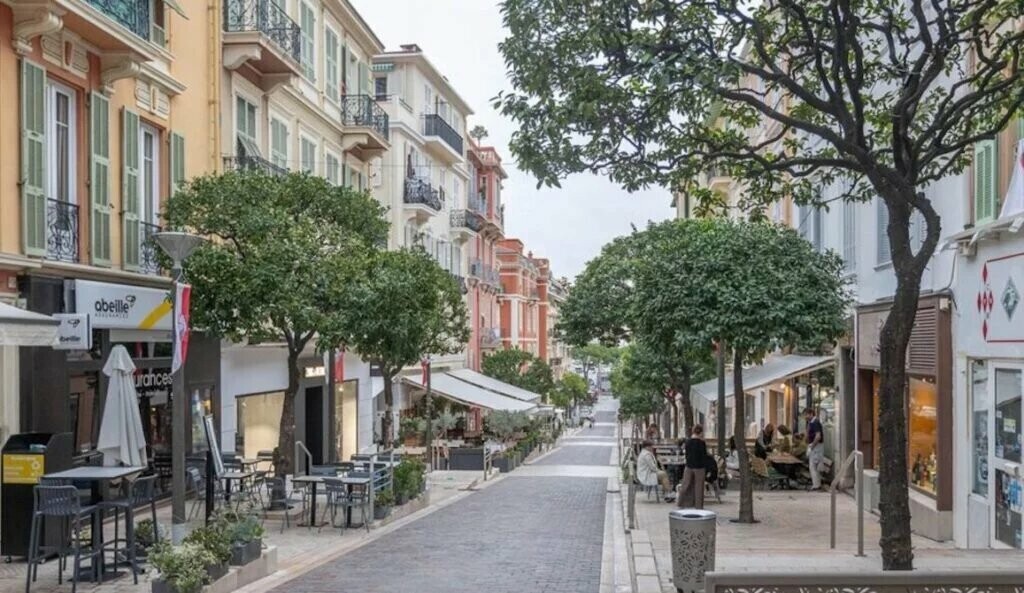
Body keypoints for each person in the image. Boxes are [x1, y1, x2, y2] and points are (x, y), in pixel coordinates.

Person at [678, 425, 709, 509]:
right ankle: (698, 506)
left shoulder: (688, 442)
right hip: (699, 467)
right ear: (701, 432)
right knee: (699, 487)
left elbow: (686, 454)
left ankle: (681, 503)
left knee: (685, 485)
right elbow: (704, 456)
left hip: (689, 466)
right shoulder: (702, 443)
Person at [804, 407, 825, 490]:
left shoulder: (815, 422)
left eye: (806, 415)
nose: (805, 417)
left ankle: (816, 485)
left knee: (813, 466)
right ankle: (816, 484)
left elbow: (818, 436)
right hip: (814, 445)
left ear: (811, 414)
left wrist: (811, 447)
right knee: (813, 466)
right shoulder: (811, 422)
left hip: (816, 446)